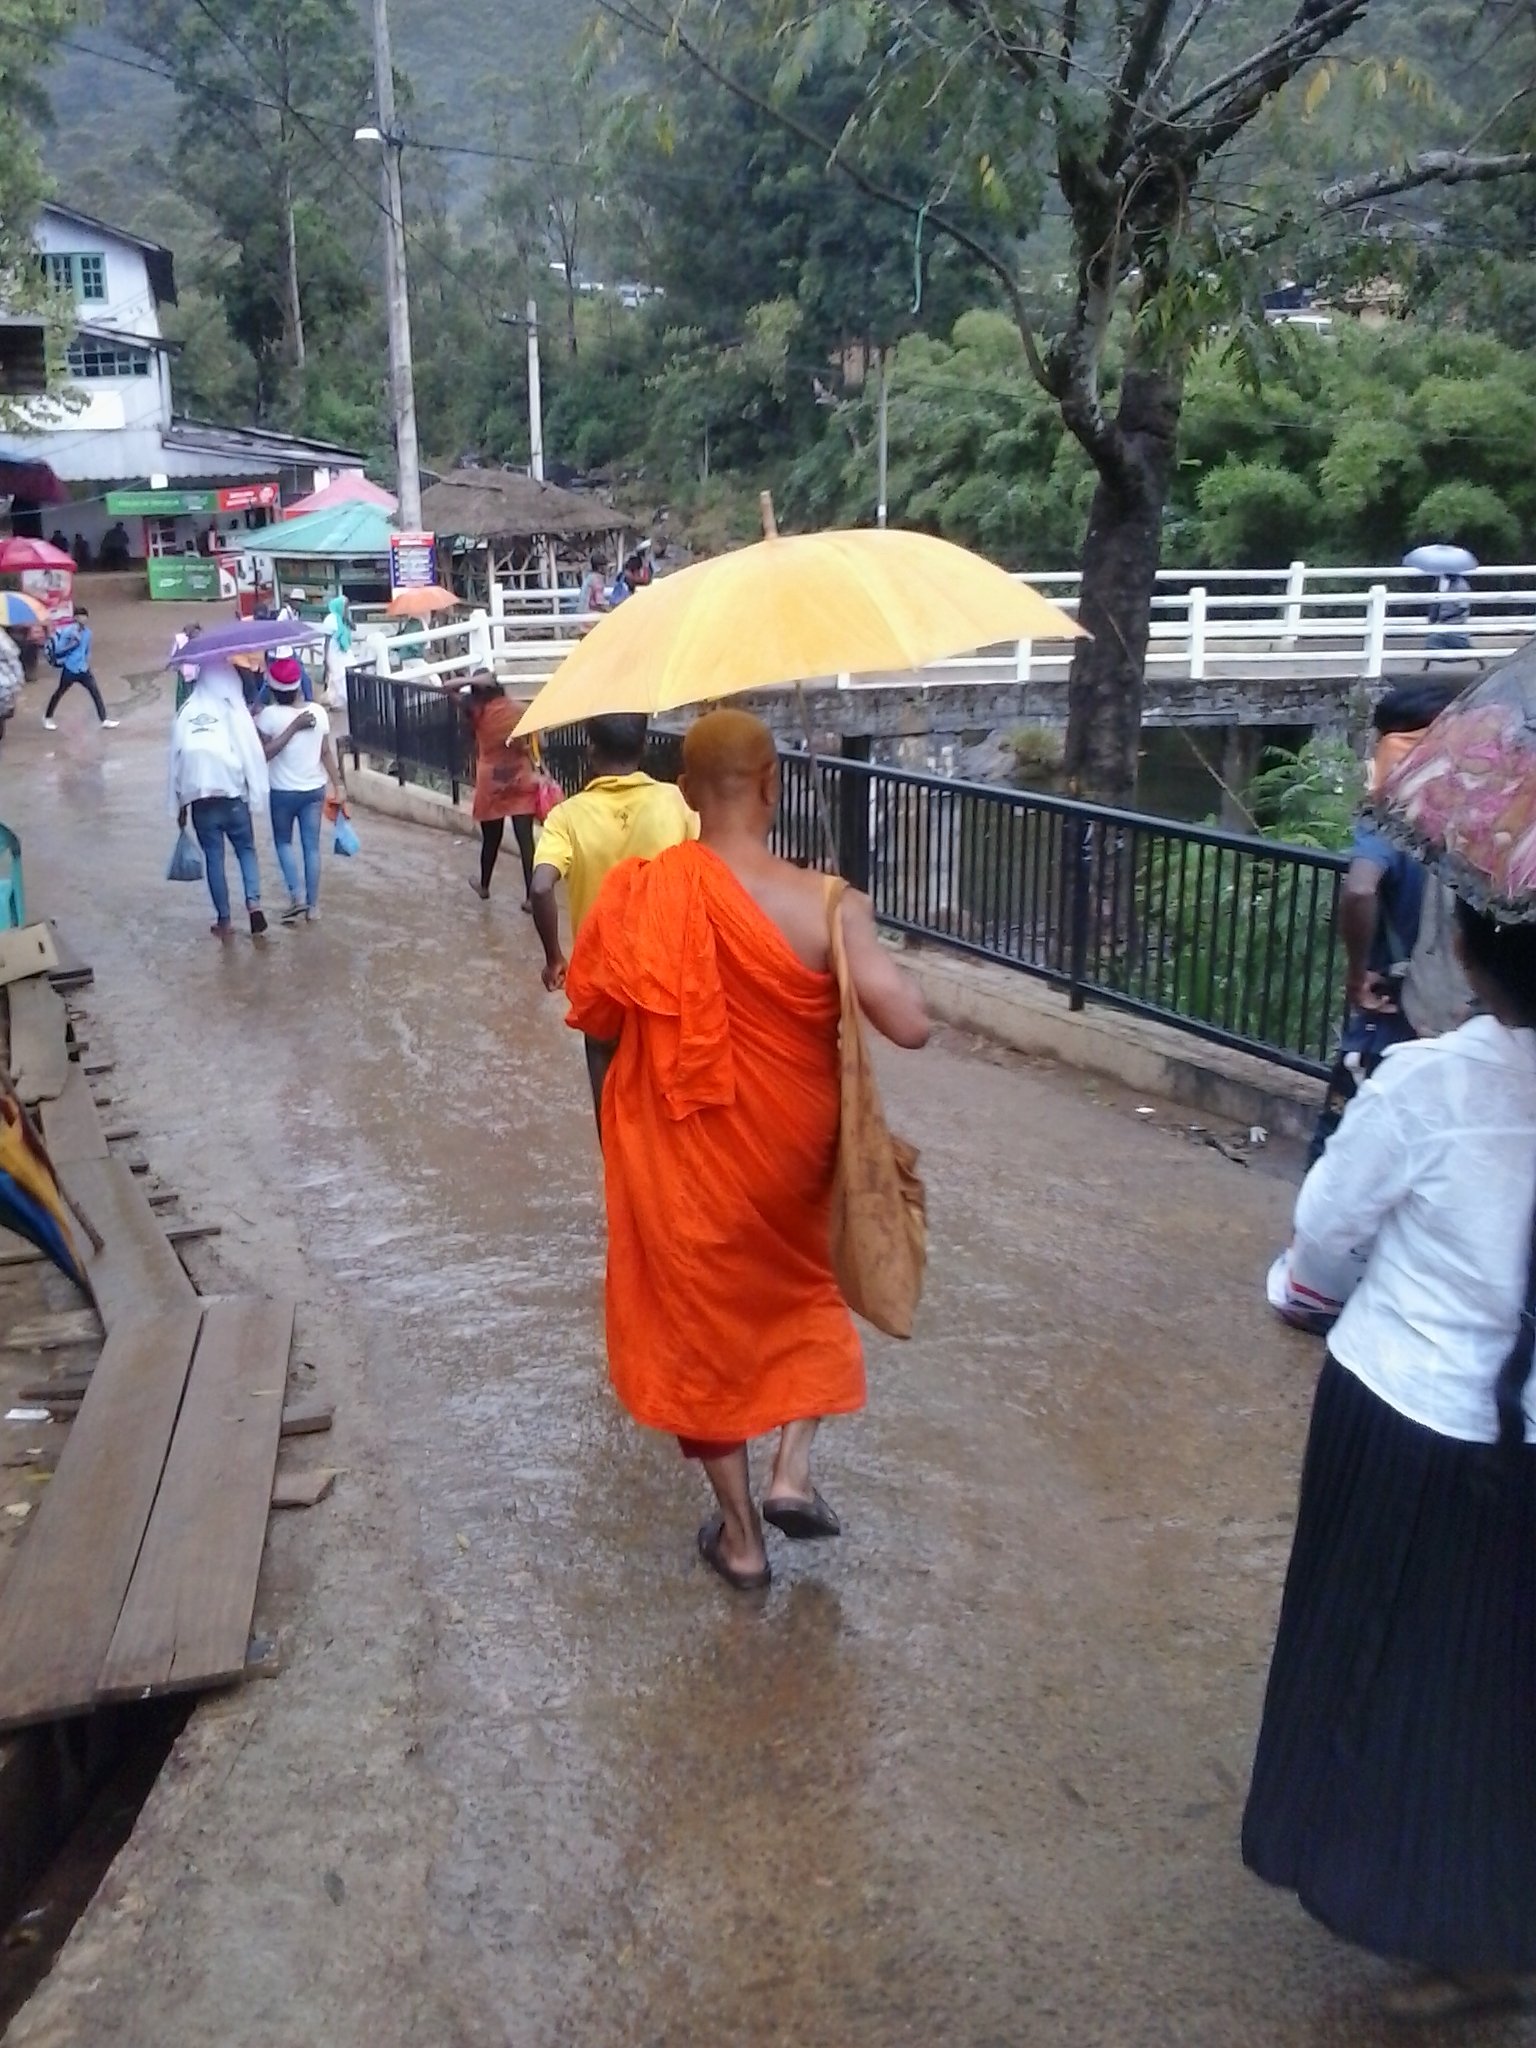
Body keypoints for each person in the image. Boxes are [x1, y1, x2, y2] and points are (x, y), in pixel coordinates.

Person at [1244, 899, 1536, 2022]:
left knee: (1382, 1657)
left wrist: (1303, 1296)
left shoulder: (1428, 1084)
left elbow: (1326, 1231)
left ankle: (1413, 1895)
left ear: (1464, 948)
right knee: (1496, 1680)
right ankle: (1497, 1920)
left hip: (1408, 1413)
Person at [564, 710, 930, 1592]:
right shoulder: (832, 903)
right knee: (803, 1291)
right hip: (793, 1152)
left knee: (701, 1327)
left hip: (687, 1154)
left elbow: (595, 1008)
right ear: (773, 786)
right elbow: (909, 1025)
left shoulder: (643, 892)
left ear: (686, 793)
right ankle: (792, 1469)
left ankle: (740, 1540)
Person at [1309, 682, 1466, 1165]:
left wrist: (1357, 974)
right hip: (1470, 1019)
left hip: (1394, 1009)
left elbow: (1360, 888)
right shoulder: (1485, 811)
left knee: (1344, 1145)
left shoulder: (1394, 807)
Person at [530, 713, 698, 1116]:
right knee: (667, 1099)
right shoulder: (677, 802)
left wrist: (555, 958)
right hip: (666, 973)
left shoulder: (566, 817)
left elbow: (539, 887)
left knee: (609, 1097)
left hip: (602, 979)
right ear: (642, 748)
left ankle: (616, 1169)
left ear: (590, 751)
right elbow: (709, 868)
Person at [168, 660, 270, 938]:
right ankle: (253, 904)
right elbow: (250, 753)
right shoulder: (233, 710)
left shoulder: (186, 712)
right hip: (233, 797)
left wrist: (179, 807)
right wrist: (255, 791)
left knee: (214, 858)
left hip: (201, 801)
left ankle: (224, 922)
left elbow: (175, 762)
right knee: (246, 850)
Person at [254, 667, 346, 924]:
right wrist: (338, 785)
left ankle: (296, 896)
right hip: (314, 791)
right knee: (312, 848)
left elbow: (264, 754)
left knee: (283, 843)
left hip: (282, 792)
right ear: (298, 686)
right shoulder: (317, 712)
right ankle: (313, 908)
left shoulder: (267, 717)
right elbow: (325, 752)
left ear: (272, 688)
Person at [460, 679, 540, 907]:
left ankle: (484, 886)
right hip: (520, 778)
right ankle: (531, 898)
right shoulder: (521, 710)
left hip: (491, 783)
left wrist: (470, 680)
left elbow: (448, 688)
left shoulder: (477, 713)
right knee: (526, 843)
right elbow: (539, 744)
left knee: (491, 840)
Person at [42, 607, 115, 730]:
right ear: (75, 618)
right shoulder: (68, 632)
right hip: (70, 668)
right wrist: (72, 644)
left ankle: (104, 719)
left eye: (85, 616)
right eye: (80, 616)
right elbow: (59, 650)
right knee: (59, 692)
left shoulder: (88, 633)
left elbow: (87, 650)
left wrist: (86, 661)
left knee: (95, 692)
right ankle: (48, 717)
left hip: (83, 668)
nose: (83, 618)